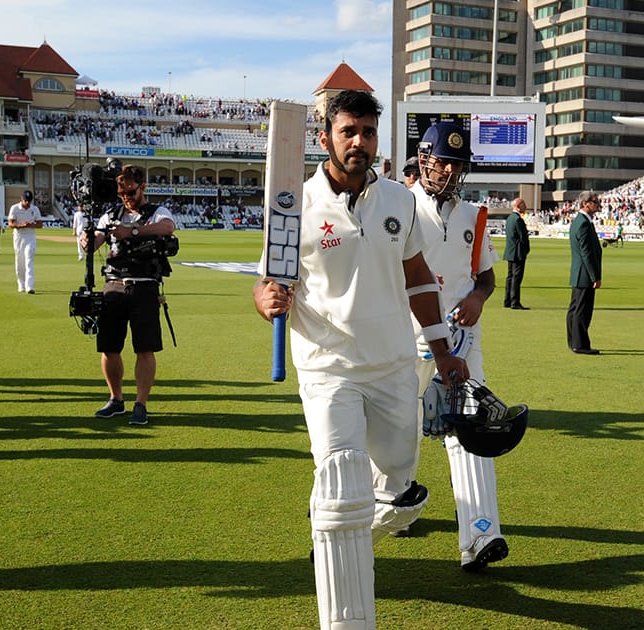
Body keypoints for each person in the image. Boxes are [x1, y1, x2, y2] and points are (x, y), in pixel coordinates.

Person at [252, 90, 468, 630]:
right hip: (328, 366)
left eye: (368, 133)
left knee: (399, 493)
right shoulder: (291, 201)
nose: (359, 142)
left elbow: (418, 277)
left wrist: (442, 350)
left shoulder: (399, 199)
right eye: (348, 131)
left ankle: (335, 534)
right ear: (326, 136)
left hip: (393, 363)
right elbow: (268, 280)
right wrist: (265, 299)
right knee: (342, 476)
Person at [406, 120, 510, 571]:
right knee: (399, 430)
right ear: (424, 160)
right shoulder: (399, 205)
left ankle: (481, 534)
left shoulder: (474, 216)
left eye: (457, 164)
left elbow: (486, 277)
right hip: (407, 337)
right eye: (441, 162)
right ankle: (393, 507)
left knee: (470, 430)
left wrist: (477, 298)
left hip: (463, 340)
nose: (448, 172)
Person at [85, 165, 175, 426]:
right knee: (109, 347)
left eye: (131, 192)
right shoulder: (110, 214)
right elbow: (96, 243)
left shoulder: (157, 212)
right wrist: (87, 239)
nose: (126, 198)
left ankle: (141, 403)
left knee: (145, 348)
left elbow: (167, 228)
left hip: (145, 285)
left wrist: (132, 231)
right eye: (122, 193)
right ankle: (116, 399)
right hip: (113, 284)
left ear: (142, 187)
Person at [567, 190, 603, 355]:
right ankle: (580, 344)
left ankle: (574, 341)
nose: (598, 204)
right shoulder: (583, 223)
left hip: (580, 272)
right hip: (584, 273)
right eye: (595, 202)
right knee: (582, 310)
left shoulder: (581, 221)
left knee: (575, 309)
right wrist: (594, 276)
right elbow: (586, 253)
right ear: (585, 204)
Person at [9, 190, 41, 293]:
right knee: (19, 261)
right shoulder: (14, 208)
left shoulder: (34, 209)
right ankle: (21, 284)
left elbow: (40, 224)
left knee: (29, 260)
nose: (27, 203)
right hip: (19, 237)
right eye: (26, 201)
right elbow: (11, 223)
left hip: (30, 237)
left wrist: (30, 225)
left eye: (29, 201)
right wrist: (20, 226)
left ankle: (29, 286)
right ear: (22, 199)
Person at [503, 197, 531, 310]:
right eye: (523, 204)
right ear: (518, 206)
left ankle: (507, 300)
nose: (525, 206)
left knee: (510, 277)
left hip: (510, 251)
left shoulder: (510, 218)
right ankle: (515, 301)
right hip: (517, 252)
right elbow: (523, 237)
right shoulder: (518, 219)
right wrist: (526, 249)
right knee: (516, 278)